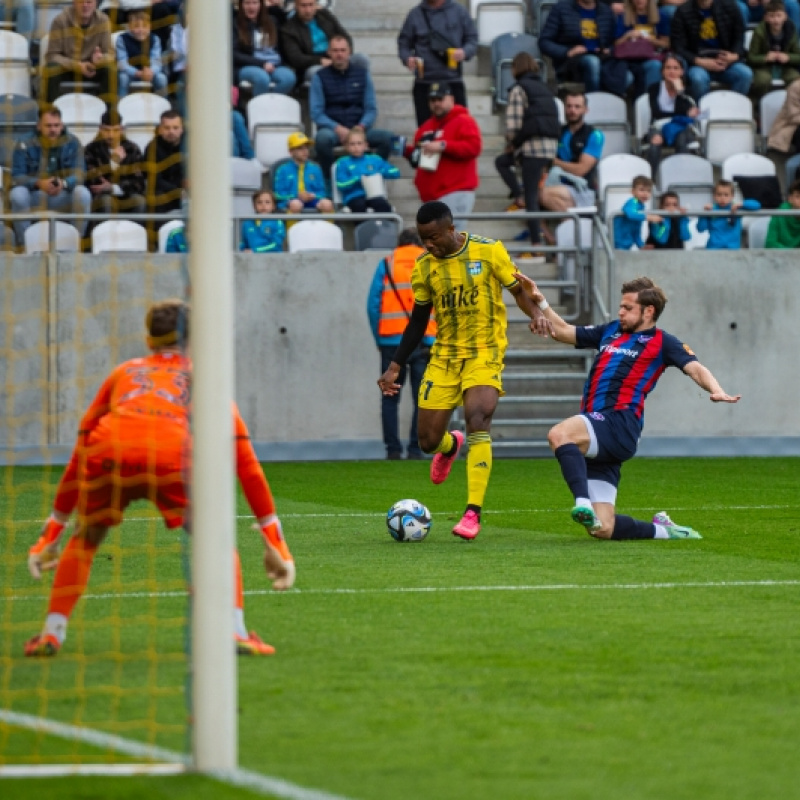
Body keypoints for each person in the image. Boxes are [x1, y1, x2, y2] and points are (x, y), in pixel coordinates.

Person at [24, 299, 295, 658]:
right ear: (191, 337)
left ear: (149, 339)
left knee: (86, 539)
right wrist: (276, 543)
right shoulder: (203, 376)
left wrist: (51, 533)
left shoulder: (124, 373)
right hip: (170, 456)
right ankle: (234, 632)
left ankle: (52, 633)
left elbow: (83, 444)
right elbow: (245, 461)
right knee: (215, 542)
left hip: (110, 452)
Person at [513, 273, 741, 540]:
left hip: (619, 423)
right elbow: (562, 331)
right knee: (602, 528)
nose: (620, 311)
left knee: (560, 434)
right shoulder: (610, 331)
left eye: (627, 308)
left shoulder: (663, 342)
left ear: (649, 311)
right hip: (599, 429)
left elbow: (695, 368)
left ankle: (582, 503)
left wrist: (717, 391)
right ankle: (665, 531)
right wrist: (540, 303)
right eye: (621, 306)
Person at [377, 201, 552, 540]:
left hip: (484, 352)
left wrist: (537, 315)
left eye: (433, 237)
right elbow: (417, 321)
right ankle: (448, 447)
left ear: (450, 229)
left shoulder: (489, 252)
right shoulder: (425, 266)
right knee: (426, 441)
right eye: (424, 238)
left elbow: (519, 290)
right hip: (444, 357)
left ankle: (472, 513)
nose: (428, 244)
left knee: (478, 419)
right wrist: (394, 365)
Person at [367, 228, 435, 460]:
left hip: (391, 341)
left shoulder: (387, 263)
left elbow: (372, 305)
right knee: (422, 397)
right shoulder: (429, 262)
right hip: (424, 341)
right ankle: (416, 449)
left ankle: (393, 450)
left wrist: (379, 338)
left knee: (389, 396)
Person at [494, 53, 559, 253]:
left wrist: (511, 142)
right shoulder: (546, 89)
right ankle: (521, 197)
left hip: (532, 148)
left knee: (531, 196)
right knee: (505, 164)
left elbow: (514, 124)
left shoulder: (519, 89)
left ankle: (536, 244)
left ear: (515, 69)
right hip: (550, 149)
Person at [310, 35, 395, 182]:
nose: (339, 54)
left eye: (343, 50)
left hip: (360, 128)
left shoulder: (362, 74)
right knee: (322, 139)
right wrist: (337, 128)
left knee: (387, 139)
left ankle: (372, 176)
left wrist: (361, 127)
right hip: (333, 130)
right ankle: (331, 181)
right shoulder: (319, 77)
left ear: (349, 52)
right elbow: (316, 112)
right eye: (335, 51)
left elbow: (371, 108)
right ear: (329, 53)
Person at [9, 105, 92, 244]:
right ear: (39, 126)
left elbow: (80, 173)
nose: (53, 130)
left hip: (63, 194)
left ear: (62, 125)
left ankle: (77, 243)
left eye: (56, 125)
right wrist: (38, 183)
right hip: (35, 194)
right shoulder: (24, 142)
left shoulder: (73, 142)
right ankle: (25, 245)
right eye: (48, 126)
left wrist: (64, 183)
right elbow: (16, 176)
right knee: (17, 194)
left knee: (83, 193)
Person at [406, 82, 482, 230]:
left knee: (447, 242)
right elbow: (417, 158)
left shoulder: (464, 121)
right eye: (433, 100)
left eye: (440, 99)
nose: (436, 104)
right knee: (439, 245)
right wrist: (405, 150)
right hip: (431, 197)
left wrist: (443, 145)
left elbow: (474, 147)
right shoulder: (426, 126)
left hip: (455, 190)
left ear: (451, 99)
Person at [397, 0, 479, 126]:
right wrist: (407, 58)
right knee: (426, 131)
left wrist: (464, 52)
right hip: (424, 83)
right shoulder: (415, 14)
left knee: (459, 127)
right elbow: (403, 43)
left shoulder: (459, 11)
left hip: (452, 81)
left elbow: (472, 39)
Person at [539, 92, 605, 231]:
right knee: (532, 193)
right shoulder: (559, 132)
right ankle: (553, 239)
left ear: (585, 110)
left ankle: (575, 230)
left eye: (577, 107)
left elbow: (581, 170)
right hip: (560, 186)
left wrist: (555, 162)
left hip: (583, 189)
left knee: (542, 193)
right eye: (569, 106)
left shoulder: (595, 135)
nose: (572, 110)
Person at [670, 0, 752, 101]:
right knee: (698, 78)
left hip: (726, 61)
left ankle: (731, 109)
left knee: (745, 74)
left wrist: (734, 55)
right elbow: (678, 47)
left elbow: (739, 36)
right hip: (698, 63)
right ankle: (703, 113)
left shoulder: (730, 6)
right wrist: (699, 61)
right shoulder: (683, 11)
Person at [43, 0, 116, 104]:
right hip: (68, 68)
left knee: (110, 69)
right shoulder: (60, 21)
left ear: (95, 4)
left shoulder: (103, 20)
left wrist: (100, 59)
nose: (85, 5)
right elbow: (52, 56)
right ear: (74, 3)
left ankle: (107, 116)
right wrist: (76, 65)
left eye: (89, 2)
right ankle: (52, 113)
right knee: (51, 68)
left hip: (92, 68)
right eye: (81, 2)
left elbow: (110, 54)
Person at [538, 0, 617, 94]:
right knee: (592, 62)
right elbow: (544, 42)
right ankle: (594, 103)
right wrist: (567, 52)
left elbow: (616, 41)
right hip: (570, 63)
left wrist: (609, 50)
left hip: (603, 58)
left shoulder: (606, 11)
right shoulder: (561, 8)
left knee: (627, 76)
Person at [643, 54, 699, 175]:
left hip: (680, 127)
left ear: (682, 71)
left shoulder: (688, 91)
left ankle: (681, 177)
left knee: (681, 138)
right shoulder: (654, 88)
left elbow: (689, 112)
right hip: (659, 126)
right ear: (662, 71)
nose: (671, 71)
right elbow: (656, 112)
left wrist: (680, 92)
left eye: (675, 68)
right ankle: (650, 179)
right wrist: (682, 112)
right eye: (668, 68)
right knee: (655, 141)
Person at [84, 109, 146, 218]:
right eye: (107, 130)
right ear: (100, 129)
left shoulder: (132, 149)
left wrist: (113, 188)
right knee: (106, 201)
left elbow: (139, 183)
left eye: (116, 130)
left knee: (139, 201)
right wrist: (113, 163)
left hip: (127, 195)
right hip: (102, 197)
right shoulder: (91, 150)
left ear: (122, 130)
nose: (111, 135)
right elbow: (94, 182)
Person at [279, 0, 357, 83]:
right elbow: (295, 58)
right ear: (296, 6)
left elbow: (345, 36)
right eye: (303, 6)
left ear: (316, 5)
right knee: (316, 72)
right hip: (313, 63)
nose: (308, 10)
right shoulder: (289, 29)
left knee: (360, 59)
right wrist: (319, 60)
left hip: (336, 53)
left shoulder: (325, 16)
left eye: (311, 5)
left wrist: (344, 53)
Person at [232, 0, 296, 97]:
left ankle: (270, 104)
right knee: (262, 78)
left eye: (255, 3)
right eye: (247, 3)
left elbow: (280, 47)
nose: (251, 7)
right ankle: (259, 109)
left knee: (288, 78)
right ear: (241, 5)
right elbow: (234, 54)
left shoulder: (272, 21)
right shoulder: (235, 24)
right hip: (247, 65)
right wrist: (262, 64)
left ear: (261, 4)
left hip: (274, 64)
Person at [334, 128, 400, 213]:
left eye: (359, 143)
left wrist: (381, 172)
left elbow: (396, 172)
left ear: (365, 145)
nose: (356, 147)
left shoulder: (375, 159)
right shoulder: (343, 162)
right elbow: (340, 184)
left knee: (383, 205)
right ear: (346, 146)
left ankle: (383, 226)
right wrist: (357, 179)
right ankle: (363, 226)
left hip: (374, 195)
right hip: (354, 197)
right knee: (359, 205)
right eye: (352, 144)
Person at [613, 0, 671, 96]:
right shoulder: (623, 16)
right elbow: (616, 44)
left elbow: (666, 44)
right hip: (629, 60)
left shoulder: (661, 15)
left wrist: (649, 39)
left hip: (651, 57)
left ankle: (650, 100)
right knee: (625, 77)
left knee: (655, 65)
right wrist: (627, 35)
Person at [747, 0, 800, 100]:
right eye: (771, 16)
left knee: (796, 80)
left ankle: (791, 106)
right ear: (765, 18)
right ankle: (760, 104)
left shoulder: (791, 29)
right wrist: (765, 58)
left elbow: (798, 56)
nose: (776, 20)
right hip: (764, 67)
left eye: (779, 15)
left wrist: (788, 57)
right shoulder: (759, 32)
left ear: (785, 16)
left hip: (786, 67)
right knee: (762, 81)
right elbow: (751, 57)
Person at [273, 132, 334, 213]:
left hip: (313, 200)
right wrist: (296, 196)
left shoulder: (315, 168)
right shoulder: (282, 170)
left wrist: (313, 195)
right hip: (290, 201)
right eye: (300, 148)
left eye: (306, 148)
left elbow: (323, 192)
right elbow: (278, 194)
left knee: (327, 204)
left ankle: (325, 226)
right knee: (295, 204)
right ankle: (292, 226)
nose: (305, 151)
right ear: (291, 152)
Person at [145, 109, 185, 229]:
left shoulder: (190, 146)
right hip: (164, 195)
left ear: (181, 129)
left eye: (175, 127)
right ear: (160, 129)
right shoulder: (152, 148)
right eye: (167, 128)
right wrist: (178, 192)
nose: (171, 131)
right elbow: (155, 180)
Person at [116, 9, 168, 98]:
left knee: (161, 78)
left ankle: (163, 107)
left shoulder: (154, 39)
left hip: (149, 73)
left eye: (144, 26)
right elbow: (122, 63)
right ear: (129, 27)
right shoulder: (122, 39)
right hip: (130, 73)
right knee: (122, 78)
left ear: (150, 27)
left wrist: (151, 71)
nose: (141, 30)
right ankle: (120, 107)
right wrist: (137, 73)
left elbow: (156, 61)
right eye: (136, 26)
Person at [697, 179, 761, 248]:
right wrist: (704, 213)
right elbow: (700, 229)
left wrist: (742, 204)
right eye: (719, 194)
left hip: (732, 249)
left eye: (726, 195)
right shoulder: (711, 210)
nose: (722, 198)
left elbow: (757, 205)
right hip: (713, 248)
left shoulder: (736, 208)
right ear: (714, 196)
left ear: (732, 196)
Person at [613, 175, 663, 249]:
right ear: (633, 191)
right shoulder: (633, 202)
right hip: (617, 243)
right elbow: (631, 214)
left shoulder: (641, 207)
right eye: (642, 190)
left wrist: (641, 246)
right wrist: (649, 217)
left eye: (648, 191)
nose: (645, 193)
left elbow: (636, 231)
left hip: (626, 244)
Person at [765, 178, 800, 246]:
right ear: (790, 199)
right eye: (798, 197)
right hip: (780, 256)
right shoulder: (778, 214)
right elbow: (770, 243)